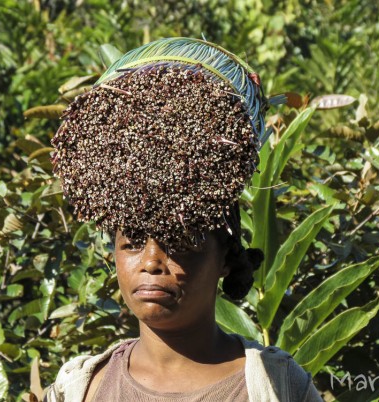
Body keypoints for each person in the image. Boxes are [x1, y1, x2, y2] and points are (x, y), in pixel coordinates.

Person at [44, 37, 323, 401]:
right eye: (131, 242)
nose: (151, 263)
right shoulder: (81, 388)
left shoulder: (275, 385)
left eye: (181, 243)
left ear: (225, 257)